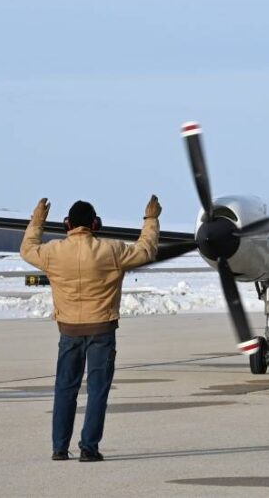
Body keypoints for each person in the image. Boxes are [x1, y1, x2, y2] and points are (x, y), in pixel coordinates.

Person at [20, 195, 161, 462]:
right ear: (95, 224)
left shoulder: (53, 252)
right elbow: (146, 250)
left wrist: (37, 220)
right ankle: (89, 447)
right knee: (97, 390)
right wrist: (151, 220)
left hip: (68, 331)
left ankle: (59, 448)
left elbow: (27, 249)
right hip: (102, 330)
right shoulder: (112, 250)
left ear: (67, 224)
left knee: (65, 388)